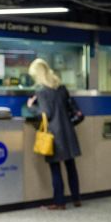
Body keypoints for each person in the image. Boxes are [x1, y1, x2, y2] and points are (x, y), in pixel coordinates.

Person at [27, 59, 82, 210]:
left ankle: (59, 202)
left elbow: (46, 114)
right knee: (71, 167)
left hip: (54, 134)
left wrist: (31, 107)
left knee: (55, 169)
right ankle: (76, 199)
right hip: (68, 132)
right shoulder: (61, 88)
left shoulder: (42, 91)